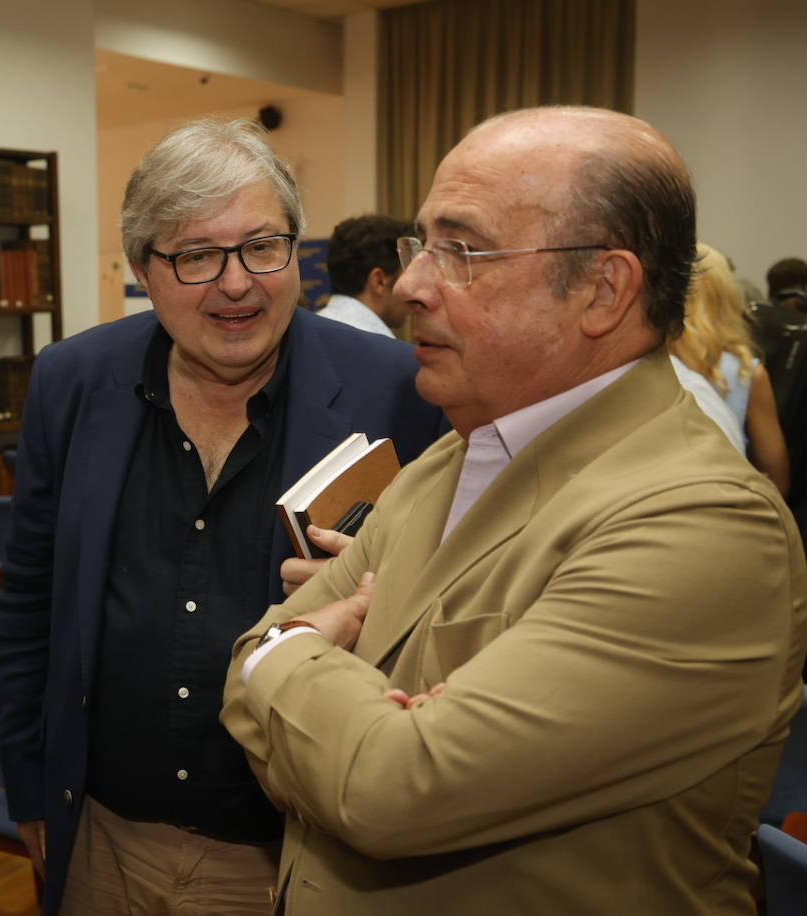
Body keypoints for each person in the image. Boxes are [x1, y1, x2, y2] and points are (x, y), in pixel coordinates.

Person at [222, 106, 807, 915]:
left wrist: (279, 655)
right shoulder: (449, 458)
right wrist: (339, 695)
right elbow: (278, 704)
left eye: (462, 251)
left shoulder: (702, 523)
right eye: (420, 246)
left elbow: (390, 789)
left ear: (605, 289)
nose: (417, 286)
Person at [0, 119, 448, 915]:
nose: (237, 284)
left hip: (302, 855)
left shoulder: (400, 390)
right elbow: (31, 601)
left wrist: (383, 593)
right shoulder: (71, 383)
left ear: (295, 251)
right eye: (197, 256)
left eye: (263, 247)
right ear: (143, 268)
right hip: (104, 840)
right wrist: (31, 790)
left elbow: (459, 608)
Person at [671, 242, 790, 493]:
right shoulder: (744, 374)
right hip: (725, 511)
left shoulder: (643, 361)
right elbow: (777, 481)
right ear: (726, 298)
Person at [318, 214, 413, 337]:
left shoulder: (304, 336)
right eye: (407, 278)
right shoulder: (384, 350)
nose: (413, 294)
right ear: (379, 281)